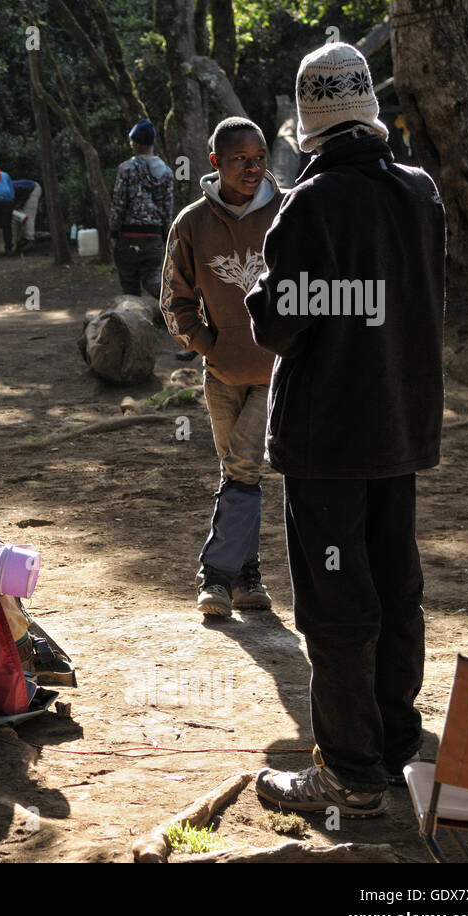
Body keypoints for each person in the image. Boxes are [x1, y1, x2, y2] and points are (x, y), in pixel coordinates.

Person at [246, 42, 445, 816]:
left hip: (329, 438)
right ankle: (396, 747)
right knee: (397, 589)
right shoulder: (420, 191)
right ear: (368, 109)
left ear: (310, 125)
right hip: (400, 425)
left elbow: (274, 325)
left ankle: (350, 775)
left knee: (336, 602)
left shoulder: (314, 202)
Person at [161, 117, 283, 617]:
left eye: (259, 158)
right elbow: (174, 299)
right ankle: (245, 576)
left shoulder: (288, 209)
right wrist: (208, 345)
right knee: (238, 473)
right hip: (221, 374)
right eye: (240, 159)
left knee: (242, 466)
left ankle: (213, 577)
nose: (253, 168)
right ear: (216, 162)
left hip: (278, 371)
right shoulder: (192, 223)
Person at [110, 119, 175, 297]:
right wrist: (164, 235)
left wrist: (114, 233)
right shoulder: (167, 173)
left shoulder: (126, 169)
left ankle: (131, 320)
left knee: (129, 284)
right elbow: (167, 208)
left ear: (136, 143)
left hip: (128, 236)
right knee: (153, 278)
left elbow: (119, 203)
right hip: (154, 236)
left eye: (132, 140)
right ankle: (176, 303)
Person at [12, 178, 41, 249]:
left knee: (28, 215)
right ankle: (19, 238)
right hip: (25, 193)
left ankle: (29, 238)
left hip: (33, 189)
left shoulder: (11, 188)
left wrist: (20, 203)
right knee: (18, 216)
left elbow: (26, 191)